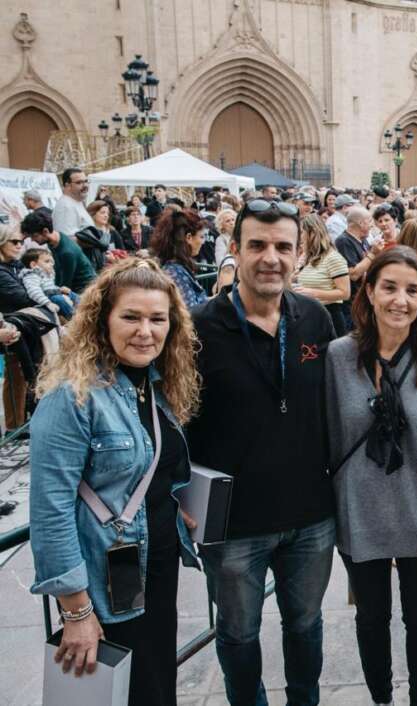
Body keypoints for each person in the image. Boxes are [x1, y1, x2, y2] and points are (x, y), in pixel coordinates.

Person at [28, 257, 201, 706]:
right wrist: (76, 612)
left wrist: (173, 508)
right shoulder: (72, 396)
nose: (145, 331)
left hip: (154, 568)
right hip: (104, 579)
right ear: (103, 320)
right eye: (131, 317)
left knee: (154, 682)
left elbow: (148, 470)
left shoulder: (155, 384)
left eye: (157, 319)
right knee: (123, 691)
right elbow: (50, 511)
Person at [186, 199, 336, 705]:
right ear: (235, 249)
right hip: (232, 525)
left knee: (306, 626)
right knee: (238, 635)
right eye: (257, 245)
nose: (271, 258)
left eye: (282, 247)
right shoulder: (197, 328)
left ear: (299, 254)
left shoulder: (314, 318)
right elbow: (174, 420)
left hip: (310, 518)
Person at [325, 246, 417, 706]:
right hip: (359, 513)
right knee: (371, 618)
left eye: (412, 290)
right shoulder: (337, 358)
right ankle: (382, 698)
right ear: (369, 291)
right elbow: (325, 437)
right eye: (389, 287)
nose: (400, 300)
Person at [294, 214, 352, 335]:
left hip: (329, 316)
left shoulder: (333, 258)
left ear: (312, 233)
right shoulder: (308, 257)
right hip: (309, 315)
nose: (298, 237)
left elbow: (345, 293)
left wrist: (313, 293)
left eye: (301, 232)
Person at [19, 210, 96, 293]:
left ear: (45, 231)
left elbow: (65, 285)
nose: (32, 240)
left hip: (85, 290)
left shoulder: (67, 252)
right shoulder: (54, 240)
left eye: (35, 236)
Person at [152, 208, 208, 308]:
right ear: (189, 237)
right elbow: (191, 311)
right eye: (201, 237)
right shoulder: (175, 272)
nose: (203, 242)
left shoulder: (177, 267)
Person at [335, 206, 384, 299]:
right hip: (352, 300)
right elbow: (353, 275)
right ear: (361, 223)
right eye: (370, 221)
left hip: (363, 295)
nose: (372, 225)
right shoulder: (344, 241)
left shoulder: (363, 239)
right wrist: (373, 254)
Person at [20, 249, 77, 318]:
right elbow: (34, 291)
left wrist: (59, 289)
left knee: (73, 295)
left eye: (52, 262)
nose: (51, 264)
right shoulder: (31, 275)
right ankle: (74, 317)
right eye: (47, 261)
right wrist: (47, 303)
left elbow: (50, 287)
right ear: (33, 265)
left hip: (53, 293)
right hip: (46, 298)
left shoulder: (45, 273)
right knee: (58, 299)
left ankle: (83, 309)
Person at [76, 200, 118, 272]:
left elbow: (121, 249)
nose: (106, 215)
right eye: (102, 212)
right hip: (92, 271)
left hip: (110, 271)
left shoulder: (112, 231)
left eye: (107, 213)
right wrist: (106, 258)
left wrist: (114, 260)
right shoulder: (87, 233)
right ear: (93, 213)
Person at [51, 168, 93, 237]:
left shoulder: (75, 201)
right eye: (79, 182)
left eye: (86, 181)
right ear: (67, 185)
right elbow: (65, 238)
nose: (85, 185)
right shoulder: (66, 207)